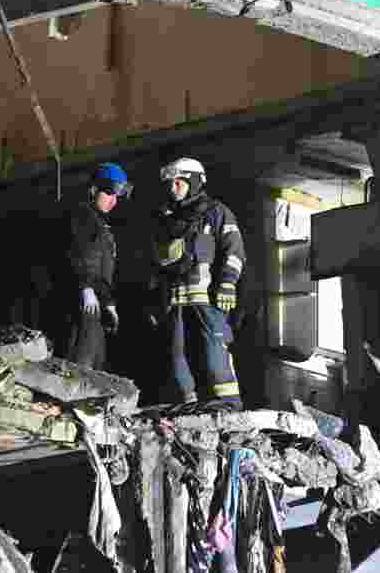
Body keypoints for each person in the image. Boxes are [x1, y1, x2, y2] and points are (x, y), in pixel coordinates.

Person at [151, 157, 245, 410]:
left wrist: (228, 282)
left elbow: (233, 250)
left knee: (215, 356)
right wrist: (155, 300)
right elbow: (158, 265)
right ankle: (188, 407)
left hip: (207, 300)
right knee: (177, 358)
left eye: (179, 183)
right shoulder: (166, 220)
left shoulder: (216, 212)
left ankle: (230, 407)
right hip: (175, 302)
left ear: (194, 182)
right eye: (171, 184)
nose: (173, 189)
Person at [56, 162, 132, 370]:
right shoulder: (81, 215)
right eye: (109, 194)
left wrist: (108, 301)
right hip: (83, 300)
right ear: (93, 189)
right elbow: (79, 254)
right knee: (81, 359)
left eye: (117, 196)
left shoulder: (101, 226)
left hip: (96, 302)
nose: (113, 201)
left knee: (96, 361)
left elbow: (103, 270)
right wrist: (85, 287)